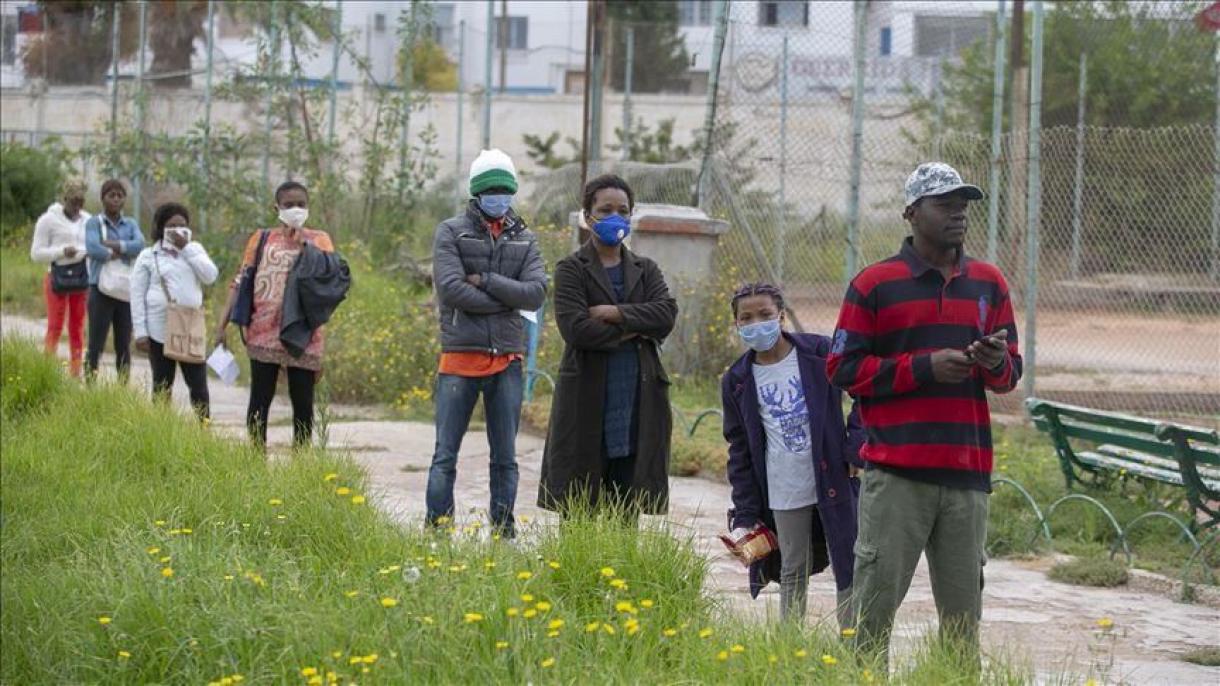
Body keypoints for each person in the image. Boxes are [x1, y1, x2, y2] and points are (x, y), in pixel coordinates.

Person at [826, 162, 1022, 666]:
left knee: (962, 625)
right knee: (871, 615)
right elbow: (842, 369)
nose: (958, 213)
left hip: (967, 476)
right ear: (912, 213)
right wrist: (924, 368)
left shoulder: (989, 283)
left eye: (964, 203)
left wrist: (996, 361)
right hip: (896, 475)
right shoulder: (874, 284)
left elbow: (1009, 377)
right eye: (944, 203)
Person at [721, 282, 864, 626]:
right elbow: (739, 448)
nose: (757, 323)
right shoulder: (737, 380)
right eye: (747, 318)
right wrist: (745, 512)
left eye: (765, 315)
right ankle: (790, 644)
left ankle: (855, 641)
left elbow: (863, 393)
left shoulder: (820, 353)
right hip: (783, 487)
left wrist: (854, 447)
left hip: (832, 477)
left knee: (849, 560)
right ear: (737, 325)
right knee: (792, 565)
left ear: (781, 316)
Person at [537, 174, 677, 521]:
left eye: (623, 210)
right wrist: (635, 328)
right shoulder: (571, 269)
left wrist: (614, 313)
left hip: (635, 399)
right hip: (588, 394)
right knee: (579, 503)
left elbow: (665, 315)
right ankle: (575, 572)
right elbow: (577, 329)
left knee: (625, 504)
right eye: (605, 209)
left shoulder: (646, 270)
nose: (615, 216)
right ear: (588, 216)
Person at [426, 149, 547, 539]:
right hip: (460, 359)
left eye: (506, 190)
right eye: (492, 190)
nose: (500, 197)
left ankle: (503, 531)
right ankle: (438, 529)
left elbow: (536, 293)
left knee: (506, 458)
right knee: (446, 455)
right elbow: (451, 288)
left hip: (507, 361)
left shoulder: (525, 239)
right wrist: (506, 301)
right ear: (477, 193)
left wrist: (490, 282)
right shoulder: (451, 231)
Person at [214, 181, 336, 449]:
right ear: (276, 207)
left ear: (308, 207)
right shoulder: (262, 238)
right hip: (263, 332)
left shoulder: (320, 239)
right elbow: (241, 280)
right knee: (260, 399)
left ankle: (301, 463)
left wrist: (307, 245)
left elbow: (330, 280)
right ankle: (256, 458)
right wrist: (221, 326)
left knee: (303, 402)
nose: (295, 209)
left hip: (305, 334)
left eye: (301, 204)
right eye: (289, 204)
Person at [131, 202, 218, 420]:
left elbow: (210, 276)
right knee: (162, 385)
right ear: (161, 228)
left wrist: (186, 248)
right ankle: (160, 429)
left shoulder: (195, 250)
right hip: (158, 332)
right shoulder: (149, 256)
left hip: (189, 330)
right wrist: (141, 332)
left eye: (182, 225)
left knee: (198, 385)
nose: (178, 230)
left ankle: (203, 427)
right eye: (172, 226)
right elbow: (137, 295)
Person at [84, 179, 145, 381]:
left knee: (123, 344)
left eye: (120, 195)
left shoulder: (131, 224)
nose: (116, 199)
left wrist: (112, 245)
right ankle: (90, 384)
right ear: (103, 198)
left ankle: (122, 387)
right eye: (112, 195)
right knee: (96, 343)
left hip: (124, 291)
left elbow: (139, 245)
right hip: (100, 289)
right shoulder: (94, 222)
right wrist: (117, 253)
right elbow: (93, 248)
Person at [30, 179, 90, 377]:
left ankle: (75, 372)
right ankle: (45, 371)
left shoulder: (88, 220)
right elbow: (36, 253)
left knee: (77, 326)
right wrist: (62, 251)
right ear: (64, 199)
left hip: (81, 277)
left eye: (81, 202)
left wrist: (84, 252)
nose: (77, 207)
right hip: (57, 277)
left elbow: (94, 247)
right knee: (55, 325)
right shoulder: (48, 220)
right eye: (73, 202)